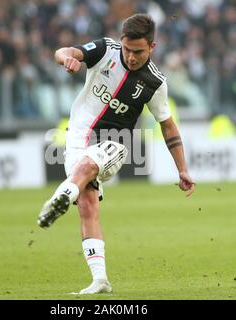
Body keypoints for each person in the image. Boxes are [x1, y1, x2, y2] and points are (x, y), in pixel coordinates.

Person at [37, 14, 195, 294]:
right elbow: (63, 51)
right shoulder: (104, 50)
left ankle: (61, 195)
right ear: (120, 43)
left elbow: (168, 126)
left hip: (115, 143)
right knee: (87, 205)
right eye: (127, 50)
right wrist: (68, 60)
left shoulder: (155, 83)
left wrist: (182, 168)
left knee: (87, 167)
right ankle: (100, 280)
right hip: (76, 137)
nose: (131, 57)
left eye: (139, 52)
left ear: (152, 47)